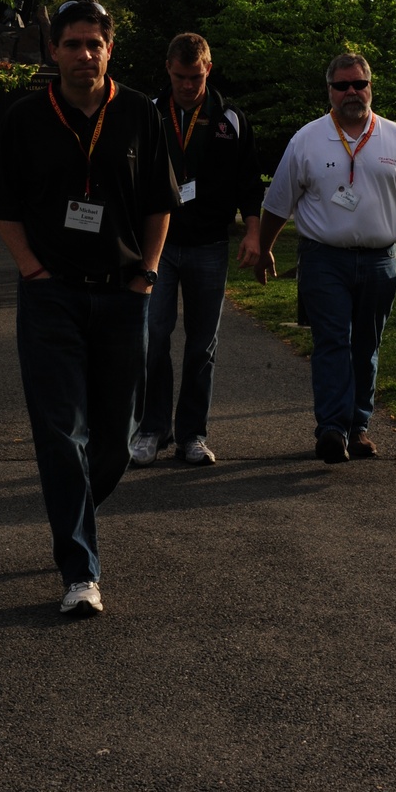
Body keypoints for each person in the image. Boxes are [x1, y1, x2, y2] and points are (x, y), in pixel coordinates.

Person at [0, 0, 178, 616]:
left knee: (117, 443)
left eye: (94, 43)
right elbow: (6, 209)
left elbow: (158, 204)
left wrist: (147, 275)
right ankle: (80, 571)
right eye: (72, 44)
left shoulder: (140, 114)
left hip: (122, 294)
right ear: (54, 51)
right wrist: (33, 270)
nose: (83, 55)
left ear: (109, 49)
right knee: (60, 433)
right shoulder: (24, 118)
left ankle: (71, 515)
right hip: (53, 297)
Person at [256, 52, 396, 464]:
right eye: (342, 85)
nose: (351, 92)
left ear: (370, 87)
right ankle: (330, 429)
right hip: (324, 259)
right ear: (329, 91)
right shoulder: (307, 139)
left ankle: (357, 427)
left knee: (366, 345)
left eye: (359, 84)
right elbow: (278, 202)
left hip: (380, 261)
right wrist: (265, 247)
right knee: (332, 342)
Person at [132, 33, 263, 467]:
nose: (187, 86)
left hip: (209, 244)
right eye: (179, 77)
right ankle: (152, 429)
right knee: (153, 338)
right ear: (167, 70)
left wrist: (254, 233)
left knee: (202, 344)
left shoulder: (230, 119)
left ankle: (193, 434)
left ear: (209, 68)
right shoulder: (150, 114)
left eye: (195, 76)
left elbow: (249, 181)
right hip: (160, 246)